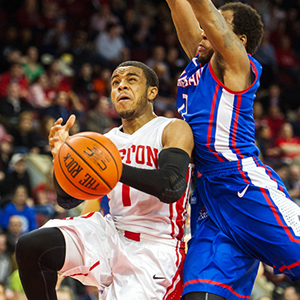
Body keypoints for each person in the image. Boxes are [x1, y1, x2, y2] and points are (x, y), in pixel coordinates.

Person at [16, 61, 194, 300]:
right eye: (115, 83)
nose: (121, 86)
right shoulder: (104, 142)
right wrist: (61, 157)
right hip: (111, 232)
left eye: (131, 80)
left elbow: (171, 186)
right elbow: (67, 200)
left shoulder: (172, 128)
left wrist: (110, 168)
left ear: (152, 92)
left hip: (155, 246)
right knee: (32, 247)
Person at [165, 0, 300, 299]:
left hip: (244, 185)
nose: (203, 32)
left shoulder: (237, 67)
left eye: (213, 27)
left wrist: (210, 19)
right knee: (198, 294)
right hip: (208, 199)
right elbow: (178, 6)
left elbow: (206, 14)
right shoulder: (198, 64)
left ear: (239, 41)